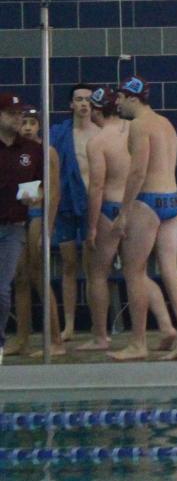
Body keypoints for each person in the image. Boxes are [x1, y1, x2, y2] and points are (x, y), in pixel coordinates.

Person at [109, 78, 177, 362]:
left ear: (132, 98)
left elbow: (137, 172)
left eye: (119, 98)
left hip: (148, 202)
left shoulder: (139, 126)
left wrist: (123, 213)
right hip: (172, 200)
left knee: (134, 272)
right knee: (171, 270)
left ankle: (138, 343)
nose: (116, 103)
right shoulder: (166, 124)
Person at [84, 87, 175, 353]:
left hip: (110, 208)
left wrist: (91, 226)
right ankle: (167, 325)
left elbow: (97, 187)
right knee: (139, 272)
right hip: (137, 204)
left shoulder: (98, 142)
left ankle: (101, 336)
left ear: (96, 110)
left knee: (98, 273)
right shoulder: (134, 128)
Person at [49, 83, 98, 341]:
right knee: (69, 265)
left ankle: (96, 325)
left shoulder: (100, 134)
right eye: (78, 99)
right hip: (66, 204)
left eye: (88, 100)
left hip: (92, 205)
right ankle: (68, 325)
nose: (83, 104)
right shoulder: (59, 134)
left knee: (93, 268)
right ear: (71, 104)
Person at [14, 107, 63, 356]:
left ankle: (55, 340)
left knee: (38, 275)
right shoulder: (12, 151)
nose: (28, 127)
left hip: (37, 216)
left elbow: (54, 192)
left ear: (39, 126)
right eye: (24, 122)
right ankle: (22, 339)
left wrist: (48, 225)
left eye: (33, 122)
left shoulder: (47, 152)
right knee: (20, 278)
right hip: (16, 217)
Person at [0, 94, 45, 357]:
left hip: (13, 227)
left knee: (2, 288)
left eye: (20, 115)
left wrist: (35, 198)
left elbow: (40, 188)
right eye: (11, 114)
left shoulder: (32, 151)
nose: (18, 119)